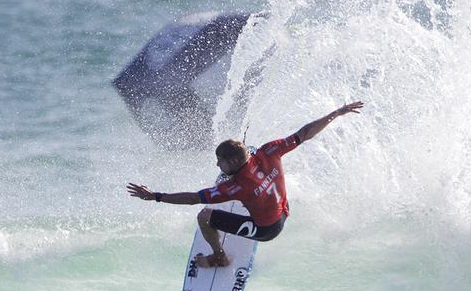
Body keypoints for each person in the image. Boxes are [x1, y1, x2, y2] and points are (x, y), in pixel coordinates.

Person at [127, 101, 364, 267]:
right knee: (251, 148)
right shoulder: (271, 150)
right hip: (284, 211)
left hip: (268, 230)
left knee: (204, 216)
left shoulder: (235, 187)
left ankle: (218, 257)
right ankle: (253, 202)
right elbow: (305, 132)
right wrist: (337, 112)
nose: (217, 164)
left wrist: (156, 196)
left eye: (220, 161)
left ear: (231, 161)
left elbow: (192, 198)